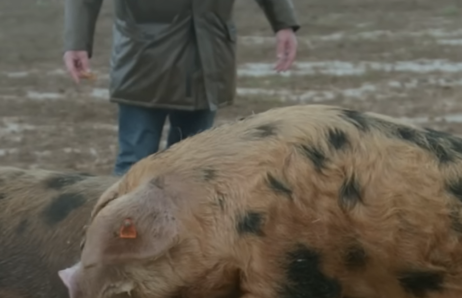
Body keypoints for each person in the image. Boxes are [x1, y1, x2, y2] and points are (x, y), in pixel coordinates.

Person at [62, 1, 300, 176]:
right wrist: (76, 42)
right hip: (142, 58)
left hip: (207, 56)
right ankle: (122, 240)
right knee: (134, 168)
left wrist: (284, 24)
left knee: (192, 170)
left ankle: (181, 243)